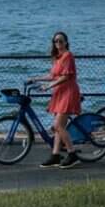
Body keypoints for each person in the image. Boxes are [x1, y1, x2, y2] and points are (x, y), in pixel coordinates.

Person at [29, 31, 82, 169]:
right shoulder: (58, 57)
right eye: (55, 41)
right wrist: (36, 79)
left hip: (68, 92)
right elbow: (52, 75)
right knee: (59, 127)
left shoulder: (68, 56)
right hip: (60, 93)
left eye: (60, 41)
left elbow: (65, 77)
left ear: (66, 42)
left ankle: (72, 154)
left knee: (58, 126)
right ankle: (56, 155)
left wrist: (48, 86)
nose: (58, 43)